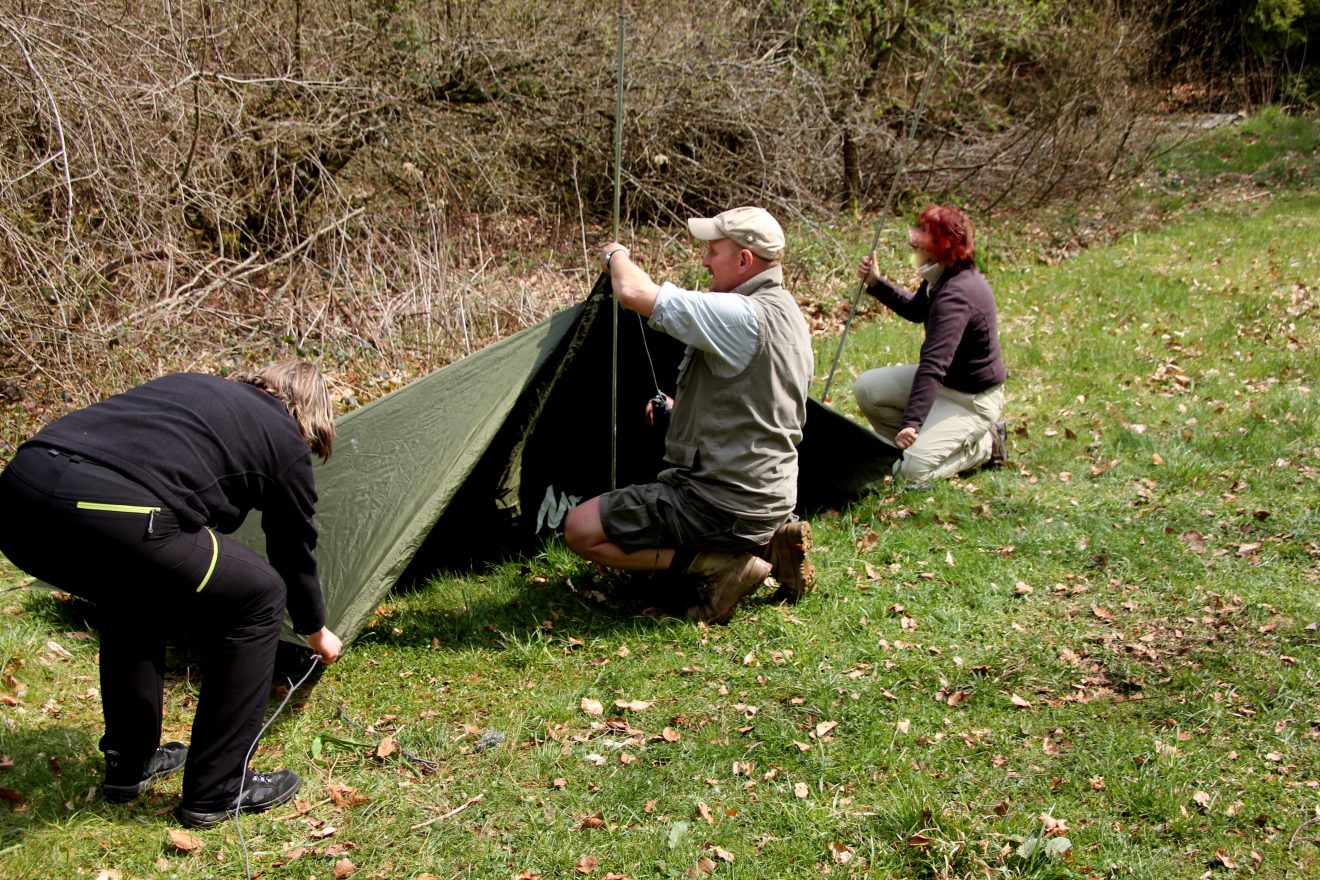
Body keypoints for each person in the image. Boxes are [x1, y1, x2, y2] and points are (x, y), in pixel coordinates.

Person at [0, 362, 342, 828]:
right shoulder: (283, 436)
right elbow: (292, 546)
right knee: (261, 597)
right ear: (308, 415)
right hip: (112, 506)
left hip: (20, 495)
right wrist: (315, 629)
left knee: (131, 592)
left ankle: (130, 762)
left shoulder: (191, 386)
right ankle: (219, 788)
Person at [563, 206, 815, 624]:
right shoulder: (786, 311)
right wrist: (683, 409)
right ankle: (772, 542)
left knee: (581, 529)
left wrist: (615, 256)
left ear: (744, 260)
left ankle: (721, 565)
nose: (704, 260)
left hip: (723, 501)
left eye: (713, 251)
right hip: (769, 494)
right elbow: (757, 401)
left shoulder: (740, 315)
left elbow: (633, 293)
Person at [853, 205, 1007, 486]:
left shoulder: (956, 296)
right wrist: (876, 283)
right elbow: (915, 311)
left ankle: (986, 444)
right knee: (867, 388)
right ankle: (911, 447)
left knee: (907, 473)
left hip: (972, 400)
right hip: (946, 385)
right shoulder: (941, 277)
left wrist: (912, 422)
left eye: (923, 235)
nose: (914, 239)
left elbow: (934, 366)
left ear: (941, 246)